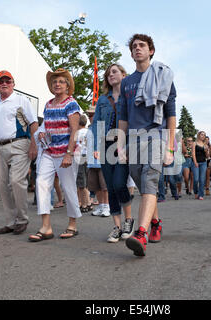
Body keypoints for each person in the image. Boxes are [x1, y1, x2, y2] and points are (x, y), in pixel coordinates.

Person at [118, 34, 176, 256]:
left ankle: (140, 233)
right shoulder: (127, 82)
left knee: (150, 179)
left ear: (151, 50)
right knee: (144, 186)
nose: (137, 49)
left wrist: (170, 146)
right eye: (134, 46)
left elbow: (170, 114)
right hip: (133, 138)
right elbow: (123, 116)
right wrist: (121, 145)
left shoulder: (164, 76)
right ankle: (156, 223)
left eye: (142, 45)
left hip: (156, 135)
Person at [28, 68, 82, 242]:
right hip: (49, 152)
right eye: (54, 82)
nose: (57, 84)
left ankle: (72, 224)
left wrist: (68, 154)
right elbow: (46, 126)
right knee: (41, 184)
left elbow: (74, 130)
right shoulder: (48, 104)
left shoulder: (71, 104)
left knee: (68, 187)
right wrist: (42, 133)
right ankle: (46, 227)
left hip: (66, 153)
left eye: (61, 81)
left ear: (67, 86)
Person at [0, 70, 38, 235]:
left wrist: (33, 145)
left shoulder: (21, 100)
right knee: (2, 186)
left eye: (8, 81)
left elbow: (33, 123)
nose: (4, 84)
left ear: (13, 84)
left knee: (16, 181)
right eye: (1, 81)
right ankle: (10, 222)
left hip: (19, 144)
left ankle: (22, 219)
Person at [91, 63, 134, 243]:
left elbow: (134, 121)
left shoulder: (130, 97)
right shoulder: (102, 100)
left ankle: (129, 220)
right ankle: (116, 227)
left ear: (124, 75)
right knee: (110, 186)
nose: (111, 75)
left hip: (123, 145)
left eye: (114, 72)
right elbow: (97, 124)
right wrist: (96, 146)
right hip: (105, 145)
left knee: (119, 183)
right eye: (108, 74)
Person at [86, 108, 110, 217]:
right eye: (89, 115)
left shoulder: (104, 127)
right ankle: (100, 206)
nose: (91, 117)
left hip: (103, 161)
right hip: (91, 161)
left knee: (105, 186)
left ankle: (107, 206)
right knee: (95, 186)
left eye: (92, 115)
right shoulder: (90, 128)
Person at [75, 114, 91, 213]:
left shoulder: (77, 133)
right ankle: (88, 202)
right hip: (89, 158)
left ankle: (84, 204)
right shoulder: (89, 132)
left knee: (81, 184)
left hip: (80, 158)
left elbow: (76, 147)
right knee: (86, 183)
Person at [192, 131, 209, 200]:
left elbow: (207, 156)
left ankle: (201, 194)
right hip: (196, 162)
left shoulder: (205, 145)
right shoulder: (194, 143)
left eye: (204, 135)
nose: (203, 136)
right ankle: (196, 192)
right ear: (198, 135)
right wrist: (195, 162)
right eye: (202, 134)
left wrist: (206, 151)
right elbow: (193, 153)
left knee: (202, 179)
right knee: (196, 179)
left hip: (203, 163)